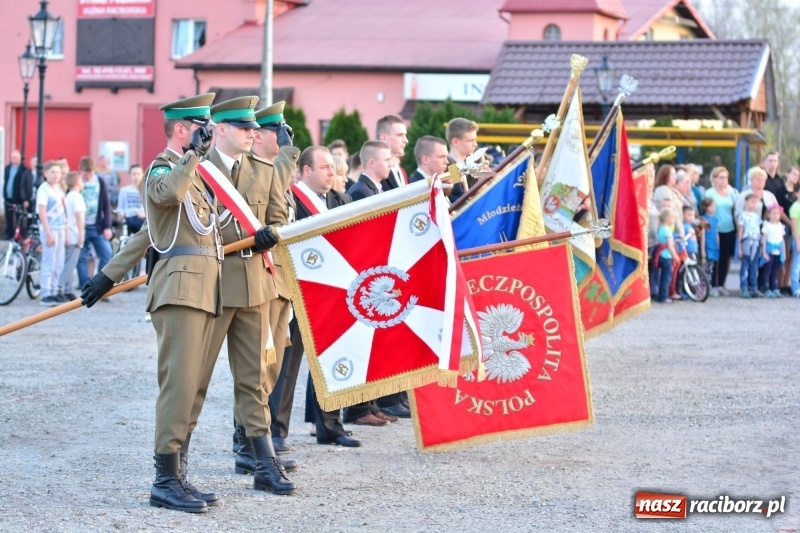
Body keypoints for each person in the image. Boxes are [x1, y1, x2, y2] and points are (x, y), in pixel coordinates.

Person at [81, 93, 224, 513]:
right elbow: (166, 199)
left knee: (193, 388)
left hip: (205, 287)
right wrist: (193, 157)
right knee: (177, 385)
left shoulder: (195, 174)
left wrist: (108, 274)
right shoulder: (166, 169)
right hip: (179, 288)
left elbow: (149, 233)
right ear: (182, 129)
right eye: (202, 126)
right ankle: (164, 480)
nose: (208, 133)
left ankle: (178, 471)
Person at [175, 97, 297, 496]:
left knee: (254, 380)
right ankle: (177, 466)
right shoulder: (197, 170)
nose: (253, 134)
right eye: (244, 128)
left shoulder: (264, 171)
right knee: (195, 379)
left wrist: (270, 234)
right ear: (221, 130)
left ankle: (263, 463)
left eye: (254, 129)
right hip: (209, 285)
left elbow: (280, 218)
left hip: (253, 284)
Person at [288, 146, 361, 447]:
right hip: (298, 291)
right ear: (306, 171)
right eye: (326, 167)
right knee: (288, 364)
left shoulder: (340, 200)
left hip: (333, 293)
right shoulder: (290, 199)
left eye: (333, 167)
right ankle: (277, 430)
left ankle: (330, 425)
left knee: (332, 359)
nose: (333, 172)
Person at [342, 140, 396, 425]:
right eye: (387, 159)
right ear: (372, 163)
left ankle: (369, 403)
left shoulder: (376, 188)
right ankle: (357, 408)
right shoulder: (360, 191)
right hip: (364, 273)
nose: (391, 164)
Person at [77, 156, 113, 287]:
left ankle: (98, 284)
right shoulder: (76, 181)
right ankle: (84, 286)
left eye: (90, 174)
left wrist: (107, 226)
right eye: (85, 174)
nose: (87, 177)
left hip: (96, 226)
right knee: (81, 257)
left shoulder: (99, 181)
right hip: (80, 227)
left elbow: (106, 205)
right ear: (79, 170)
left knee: (107, 253)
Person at [36, 161, 66, 306]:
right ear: (45, 173)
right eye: (52, 172)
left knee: (59, 262)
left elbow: (63, 211)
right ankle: (46, 293)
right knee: (49, 260)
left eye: (57, 172)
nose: (55, 175)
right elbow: (42, 212)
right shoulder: (44, 189)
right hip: (50, 228)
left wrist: (65, 231)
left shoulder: (59, 188)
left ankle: (54, 290)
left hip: (60, 228)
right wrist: (48, 233)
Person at [704, 167, 738, 295]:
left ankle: (721, 284)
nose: (724, 180)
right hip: (714, 229)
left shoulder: (731, 192)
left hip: (728, 228)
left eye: (726, 177)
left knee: (725, 257)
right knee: (714, 257)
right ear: (715, 179)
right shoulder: (709, 193)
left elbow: (735, 209)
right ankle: (712, 284)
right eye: (721, 177)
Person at [58, 171, 86, 302]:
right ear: (76, 183)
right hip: (74, 234)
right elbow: (78, 216)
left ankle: (68, 289)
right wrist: (81, 235)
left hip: (68, 234)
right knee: (70, 264)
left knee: (69, 262)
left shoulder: (68, 196)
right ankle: (59, 286)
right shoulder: (77, 197)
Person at [776, 167, 799, 293]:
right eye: (794, 174)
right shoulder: (780, 190)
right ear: (788, 174)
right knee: (784, 255)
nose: (796, 176)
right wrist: (790, 222)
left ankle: (787, 283)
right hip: (784, 225)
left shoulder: (797, 191)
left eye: (798, 175)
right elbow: (779, 209)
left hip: (796, 227)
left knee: (792, 256)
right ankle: (779, 284)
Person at [3, 149, 33, 239]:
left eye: (15, 157)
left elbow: (23, 184)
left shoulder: (24, 170)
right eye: (12, 157)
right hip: (8, 196)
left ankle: (19, 236)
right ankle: (9, 234)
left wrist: (24, 198)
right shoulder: (7, 168)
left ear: (20, 158)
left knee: (19, 218)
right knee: (8, 217)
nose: (13, 159)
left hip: (18, 198)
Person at [737, 193, 762, 298]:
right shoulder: (742, 215)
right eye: (752, 202)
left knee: (754, 267)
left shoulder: (757, 216)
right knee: (745, 266)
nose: (754, 204)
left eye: (755, 202)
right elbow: (740, 232)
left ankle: (754, 288)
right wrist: (739, 247)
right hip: (747, 242)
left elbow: (758, 230)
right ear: (746, 202)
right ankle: (744, 288)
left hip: (756, 242)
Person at [376, 115, 409, 192]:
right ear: (384, 138)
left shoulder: (402, 172)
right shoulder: (376, 171)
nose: (406, 140)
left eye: (405, 135)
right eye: (400, 135)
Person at [652, 208, 677, 303]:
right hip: (666, 256)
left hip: (659, 256)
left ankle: (660, 294)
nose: (674, 220)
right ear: (668, 219)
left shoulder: (660, 229)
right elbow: (670, 246)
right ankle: (663, 296)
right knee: (666, 278)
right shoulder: (667, 231)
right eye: (673, 218)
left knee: (661, 276)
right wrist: (675, 256)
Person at [760, 204, 785, 298]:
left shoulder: (780, 226)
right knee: (767, 271)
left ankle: (775, 288)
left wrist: (784, 253)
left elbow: (782, 241)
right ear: (768, 215)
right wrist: (764, 252)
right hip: (769, 251)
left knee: (775, 271)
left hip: (778, 252)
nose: (775, 216)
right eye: (773, 213)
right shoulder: (766, 225)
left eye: (777, 214)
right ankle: (766, 289)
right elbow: (764, 240)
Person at [117, 164, 146, 234]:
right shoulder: (124, 190)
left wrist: (144, 214)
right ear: (130, 175)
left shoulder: (146, 190)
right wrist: (121, 214)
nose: (136, 176)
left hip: (142, 218)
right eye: (134, 174)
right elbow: (120, 207)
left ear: (142, 175)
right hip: (129, 217)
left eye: (139, 174)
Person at [700, 198, 719, 296]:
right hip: (708, 246)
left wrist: (718, 244)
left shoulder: (715, 219)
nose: (713, 208)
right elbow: (703, 234)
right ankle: (705, 287)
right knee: (707, 268)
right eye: (711, 206)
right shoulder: (704, 219)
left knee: (712, 267)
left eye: (714, 206)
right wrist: (703, 249)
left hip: (714, 246)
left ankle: (711, 286)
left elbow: (716, 233)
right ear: (705, 207)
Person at [789, 183, 800, 298]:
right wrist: (797, 242)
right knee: (797, 264)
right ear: (796, 194)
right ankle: (795, 288)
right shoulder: (795, 207)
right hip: (798, 238)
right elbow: (794, 227)